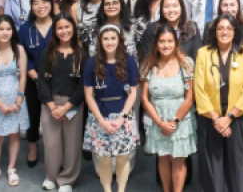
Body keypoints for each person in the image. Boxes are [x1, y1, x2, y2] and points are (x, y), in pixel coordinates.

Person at [193, 13, 243, 192]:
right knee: (213, 164)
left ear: (235, 31)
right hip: (210, 117)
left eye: (229, 28)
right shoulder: (203, 53)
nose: (225, 32)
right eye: (221, 28)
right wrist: (216, 118)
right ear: (214, 32)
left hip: (236, 117)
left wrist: (228, 118)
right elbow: (199, 88)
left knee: (236, 165)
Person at [83, 25, 140, 192]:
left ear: (119, 40)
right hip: (100, 116)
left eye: (113, 38)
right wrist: (101, 121)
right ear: (100, 41)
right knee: (104, 158)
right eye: (105, 38)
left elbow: (133, 92)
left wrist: (122, 117)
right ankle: (107, 189)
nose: (109, 42)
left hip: (123, 115)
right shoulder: (91, 63)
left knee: (123, 157)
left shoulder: (129, 61)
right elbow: (89, 96)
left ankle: (121, 190)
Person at [140, 24, 197, 192]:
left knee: (178, 160)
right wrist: (160, 123)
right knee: (163, 158)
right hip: (158, 120)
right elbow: (145, 99)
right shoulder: (148, 65)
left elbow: (189, 97)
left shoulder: (186, 64)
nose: (166, 45)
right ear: (156, 44)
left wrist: (174, 121)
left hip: (180, 120)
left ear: (176, 42)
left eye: (170, 41)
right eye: (162, 41)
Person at [37, 14, 86, 192]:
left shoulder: (82, 54)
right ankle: (51, 175)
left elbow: (83, 87)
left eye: (67, 27)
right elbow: (42, 81)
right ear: (54, 31)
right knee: (51, 143)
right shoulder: (47, 53)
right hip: (50, 103)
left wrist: (66, 107)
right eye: (60, 28)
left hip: (72, 105)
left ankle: (66, 179)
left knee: (72, 142)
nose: (64, 31)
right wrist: (52, 106)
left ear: (73, 28)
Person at [0, 15, 30, 187]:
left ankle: (11, 168)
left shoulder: (19, 50)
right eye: (1, 29)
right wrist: (0, 104)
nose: (5, 32)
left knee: (14, 135)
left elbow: (23, 76)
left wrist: (19, 99)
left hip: (16, 100)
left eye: (8, 29)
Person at [18, 0, 54, 167]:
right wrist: (35, 75)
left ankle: (55, 148)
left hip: (57, 80)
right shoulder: (25, 29)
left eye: (44, 2)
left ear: (51, 4)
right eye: (36, 3)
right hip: (32, 80)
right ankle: (33, 145)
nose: (41, 6)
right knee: (33, 113)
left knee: (54, 115)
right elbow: (21, 55)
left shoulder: (59, 25)